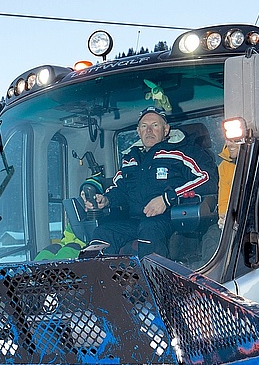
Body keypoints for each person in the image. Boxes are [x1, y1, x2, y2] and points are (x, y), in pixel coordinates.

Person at [84, 107, 210, 257]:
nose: (149, 130)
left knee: (149, 228)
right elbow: (120, 188)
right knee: (102, 232)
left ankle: (154, 279)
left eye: (155, 125)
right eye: (144, 126)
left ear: (166, 130)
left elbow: (206, 178)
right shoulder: (131, 158)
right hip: (136, 220)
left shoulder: (183, 152)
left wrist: (167, 199)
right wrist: (106, 199)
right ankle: (101, 279)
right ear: (138, 131)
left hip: (171, 217)